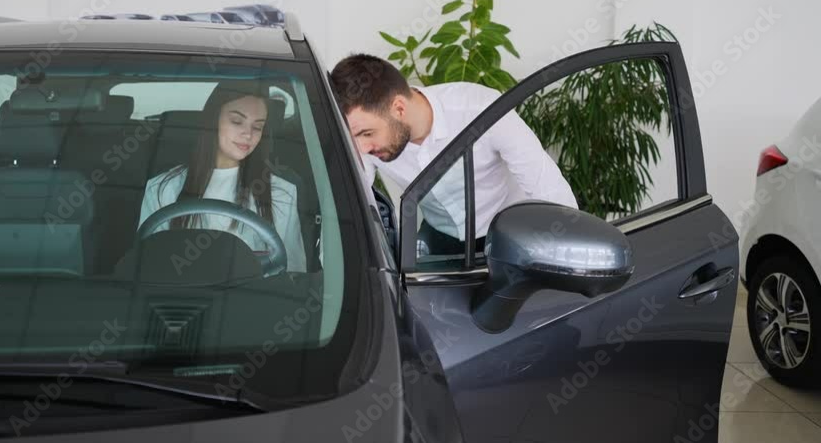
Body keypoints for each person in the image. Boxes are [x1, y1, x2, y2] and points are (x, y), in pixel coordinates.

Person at [330, 53, 577, 255]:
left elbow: (551, 192)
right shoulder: (366, 138)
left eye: (366, 133)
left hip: (510, 239)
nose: (362, 148)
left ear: (399, 108)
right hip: (438, 241)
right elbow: (347, 204)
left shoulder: (482, 110)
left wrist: (572, 255)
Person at [137, 81, 308, 273]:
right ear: (213, 120)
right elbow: (147, 267)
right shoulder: (162, 188)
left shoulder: (281, 192)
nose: (248, 134)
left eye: (257, 127)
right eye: (237, 121)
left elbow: (294, 273)